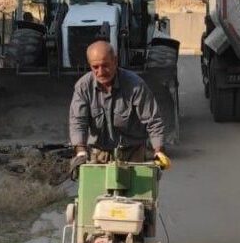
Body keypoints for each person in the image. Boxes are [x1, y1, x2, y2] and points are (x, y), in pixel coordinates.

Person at [68, 41, 169, 176]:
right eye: (95, 67)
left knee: (139, 195)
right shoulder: (83, 87)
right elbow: (78, 122)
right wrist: (80, 152)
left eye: (105, 66)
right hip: (99, 153)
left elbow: (153, 121)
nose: (101, 72)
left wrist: (159, 151)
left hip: (133, 153)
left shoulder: (136, 86)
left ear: (115, 61)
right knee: (92, 194)